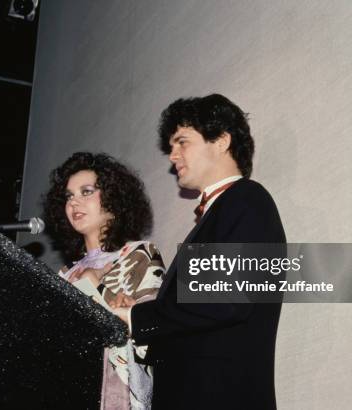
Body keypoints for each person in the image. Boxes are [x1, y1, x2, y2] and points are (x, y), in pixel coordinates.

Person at [111, 94, 286, 409]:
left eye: (181, 142)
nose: (172, 156)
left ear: (220, 140)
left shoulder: (246, 199)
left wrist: (136, 317)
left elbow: (225, 299)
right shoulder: (225, 210)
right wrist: (142, 313)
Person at [43, 152, 165, 410]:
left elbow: (156, 336)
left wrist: (96, 287)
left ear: (113, 198)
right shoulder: (63, 276)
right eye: (68, 196)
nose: (74, 202)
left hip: (113, 394)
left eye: (86, 191)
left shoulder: (138, 256)